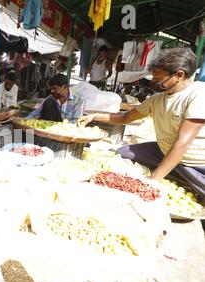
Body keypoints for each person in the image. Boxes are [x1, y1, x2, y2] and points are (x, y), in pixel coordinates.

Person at [78, 47, 205, 199]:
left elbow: (182, 143)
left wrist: (152, 180)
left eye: (158, 80)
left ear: (179, 75)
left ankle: (170, 172)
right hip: (163, 150)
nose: (153, 82)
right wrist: (94, 116)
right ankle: (168, 170)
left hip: (192, 161)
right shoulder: (157, 99)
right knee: (122, 153)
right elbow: (125, 118)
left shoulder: (198, 94)